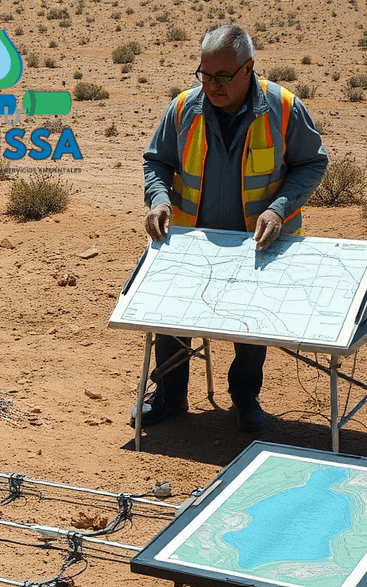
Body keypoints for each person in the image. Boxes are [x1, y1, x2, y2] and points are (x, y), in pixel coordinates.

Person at [137, 24, 328, 433]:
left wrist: (279, 209)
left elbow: (313, 162)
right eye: (204, 75)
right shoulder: (184, 107)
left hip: (255, 246)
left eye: (222, 76)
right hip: (191, 243)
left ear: (249, 69)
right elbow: (156, 161)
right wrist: (158, 199)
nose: (212, 85)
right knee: (172, 320)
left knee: (250, 328)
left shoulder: (284, 107)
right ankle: (170, 395)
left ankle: (245, 398)